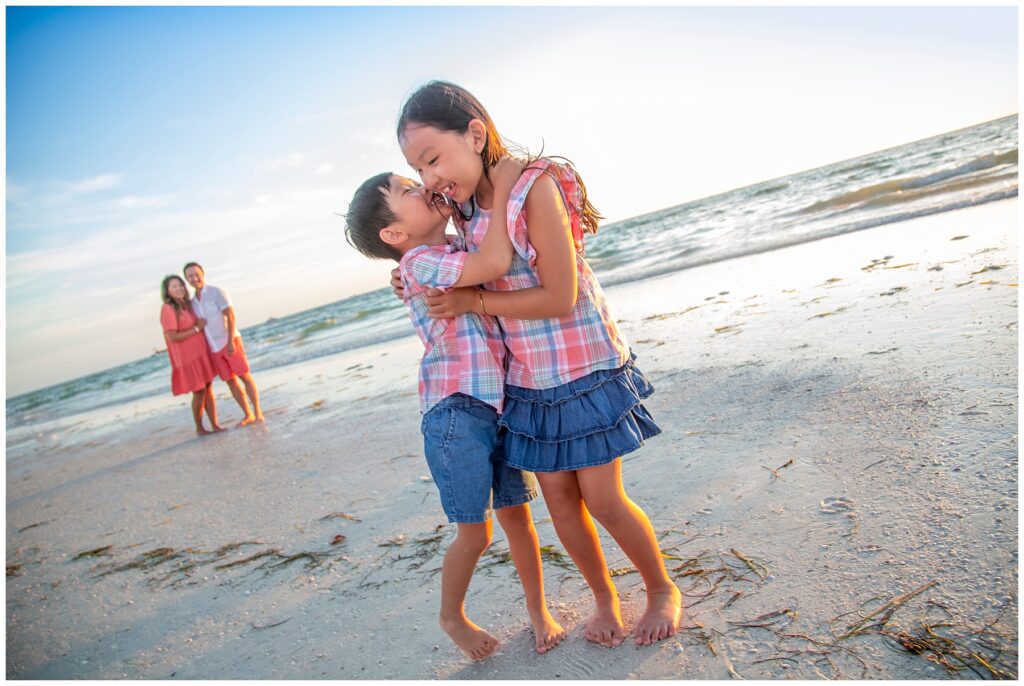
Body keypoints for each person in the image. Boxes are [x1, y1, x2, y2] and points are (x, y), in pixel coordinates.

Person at [394, 80, 682, 647]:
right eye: (416, 169)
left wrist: (474, 300)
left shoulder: (533, 187)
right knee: (559, 502)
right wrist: (404, 266)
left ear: (475, 134)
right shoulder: (467, 208)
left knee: (602, 498)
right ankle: (604, 598)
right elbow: (449, 258)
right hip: (527, 380)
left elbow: (560, 296)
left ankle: (660, 588)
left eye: (432, 160)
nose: (429, 179)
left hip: (581, 367)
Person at [343, 160, 567, 659]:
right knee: (476, 530)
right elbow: (492, 264)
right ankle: (452, 616)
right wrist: (507, 185)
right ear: (395, 231)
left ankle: (538, 609)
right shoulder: (420, 263)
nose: (419, 184)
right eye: (405, 187)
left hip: (496, 404)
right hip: (455, 414)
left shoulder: (447, 250)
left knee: (519, 520)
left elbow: (482, 259)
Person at [182, 262, 265, 426]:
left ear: (203, 274)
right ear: (187, 279)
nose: (194, 278)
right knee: (230, 381)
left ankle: (257, 412)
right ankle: (248, 414)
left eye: (196, 274)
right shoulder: (192, 303)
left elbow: (231, 316)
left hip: (230, 341)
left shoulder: (216, 292)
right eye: (190, 276)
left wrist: (230, 342)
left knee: (244, 376)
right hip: (213, 348)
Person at [159, 275, 225, 436]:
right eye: (173, 286)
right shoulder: (167, 309)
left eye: (180, 285)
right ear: (167, 291)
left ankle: (215, 425)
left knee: (208, 389)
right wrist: (196, 328)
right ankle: (200, 428)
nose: (179, 288)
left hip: (201, 353)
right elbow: (172, 337)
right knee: (199, 391)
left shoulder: (187, 305)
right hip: (188, 358)